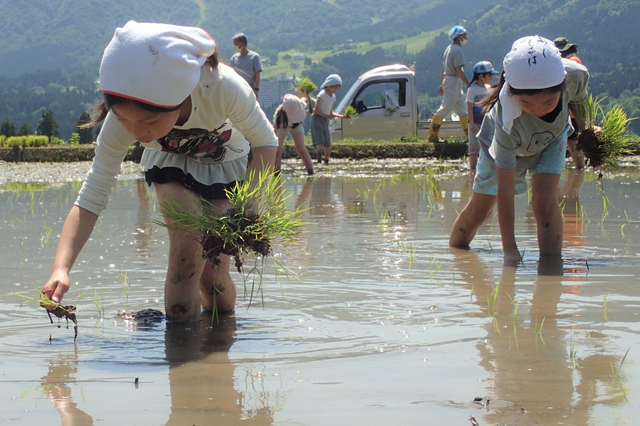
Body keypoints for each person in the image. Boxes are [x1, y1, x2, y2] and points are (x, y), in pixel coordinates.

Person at [41, 21, 277, 323]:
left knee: (213, 279)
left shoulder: (222, 88)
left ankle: (220, 345)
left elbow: (266, 141)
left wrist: (249, 206)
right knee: (187, 253)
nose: (138, 134)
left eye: (150, 122)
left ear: (178, 98)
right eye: (126, 121)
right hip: (172, 163)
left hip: (227, 162)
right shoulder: (123, 120)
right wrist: (61, 268)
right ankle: (180, 354)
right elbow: (91, 196)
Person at [449, 36, 590, 266]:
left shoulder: (574, 75)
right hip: (504, 147)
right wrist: (510, 250)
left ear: (562, 87)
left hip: (551, 139)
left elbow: (582, 103)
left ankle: (551, 266)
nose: (538, 111)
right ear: (514, 94)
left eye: (549, 102)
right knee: (480, 211)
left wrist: (586, 131)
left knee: (544, 201)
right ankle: (454, 252)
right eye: (528, 104)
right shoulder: (506, 122)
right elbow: (505, 189)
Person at [428, 25, 470, 143]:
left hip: (450, 80)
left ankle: (470, 137)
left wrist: (442, 83)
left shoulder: (449, 48)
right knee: (445, 108)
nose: (466, 37)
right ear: (459, 37)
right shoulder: (457, 50)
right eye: (464, 35)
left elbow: (443, 68)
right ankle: (432, 136)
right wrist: (468, 83)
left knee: (462, 110)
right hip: (454, 81)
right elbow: (458, 70)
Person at [555, 36, 585, 168]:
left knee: (572, 142)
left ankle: (579, 167)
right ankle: (579, 168)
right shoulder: (572, 60)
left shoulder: (573, 62)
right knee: (571, 142)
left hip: (571, 112)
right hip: (567, 111)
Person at [465, 61, 499, 171]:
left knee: (488, 147)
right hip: (476, 124)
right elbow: (469, 107)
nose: (490, 78)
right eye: (489, 75)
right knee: (474, 150)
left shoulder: (490, 89)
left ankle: (488, 169)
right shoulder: (472, 90)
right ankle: (473, 171)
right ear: (481, 76)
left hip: (487, 123)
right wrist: (471, 123)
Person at [273, 93, 314, 175]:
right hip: (282, 123)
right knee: (278, 149)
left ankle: (311, 172)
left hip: (297, 124)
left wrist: (304, 95)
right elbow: (274, 131)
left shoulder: (298, 104)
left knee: (301, 148)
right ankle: (276, 174)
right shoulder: (279, 114)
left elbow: (303, 99)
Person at [311, 74, 346, 165]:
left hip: (325, 120)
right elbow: (317, 110)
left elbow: (331, 112)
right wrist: (327, 116)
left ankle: (326, 161)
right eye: (335, 88)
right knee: (321, 142)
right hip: (317, 120)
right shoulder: (322, 94)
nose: (335, 90)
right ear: (330, 85)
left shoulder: (333, 97)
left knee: (328, 144)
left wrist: (342, 116)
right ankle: (319, 161)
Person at [230, 33, 263, 99]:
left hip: (249, 88)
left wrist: (256, 89)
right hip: (237, 88)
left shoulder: (254, 57)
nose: (234, 46)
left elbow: (257, 74)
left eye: (236, 44)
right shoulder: (234, 58)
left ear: (242, 44)